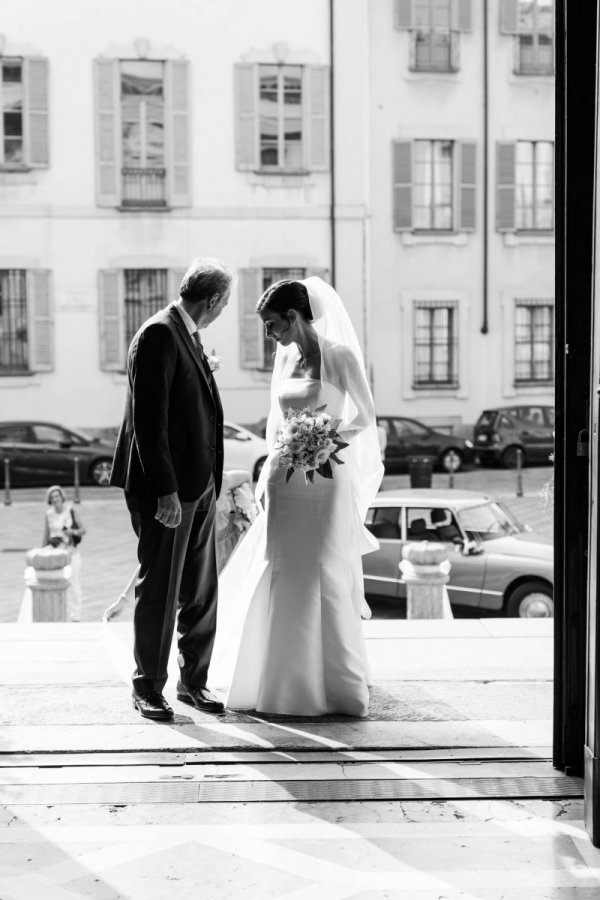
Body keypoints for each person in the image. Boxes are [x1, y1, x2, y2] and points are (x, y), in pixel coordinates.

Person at [209, 277, 384, 717]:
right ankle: (274, 681)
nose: (271, 335)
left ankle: (334, 685)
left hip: (327, 475)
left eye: (273, 325)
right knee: (281, 569)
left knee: (322, 569)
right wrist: (279, 458)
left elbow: (364, 416)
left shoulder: (340, 357)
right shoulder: (284, 357)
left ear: (293, 316)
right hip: (284, 478)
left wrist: (323, 438)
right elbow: (276, 422)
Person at [110, 257, 231, 721]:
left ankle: (193, 683)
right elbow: (148, 421)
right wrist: (164, 493)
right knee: (160, 589)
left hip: (199, 486)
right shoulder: (158, 333)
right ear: (214, 300)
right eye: (224, 303)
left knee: (202, 590)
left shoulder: (187, 335)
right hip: (167, 491)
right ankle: (147, 687)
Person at [43, 484, 85, 622]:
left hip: (71, 553)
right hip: (56, 554)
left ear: (61, 497)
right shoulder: (49, 514)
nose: (55, 499)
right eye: (52, 497)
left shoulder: (70, 510)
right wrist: (42, 552)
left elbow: (83, 530)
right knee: (58, 584)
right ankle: (61, 614)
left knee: (74, 584)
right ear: (50, 500)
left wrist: (71, 532)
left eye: (57, 496)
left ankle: (76, 616)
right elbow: (46, 535)